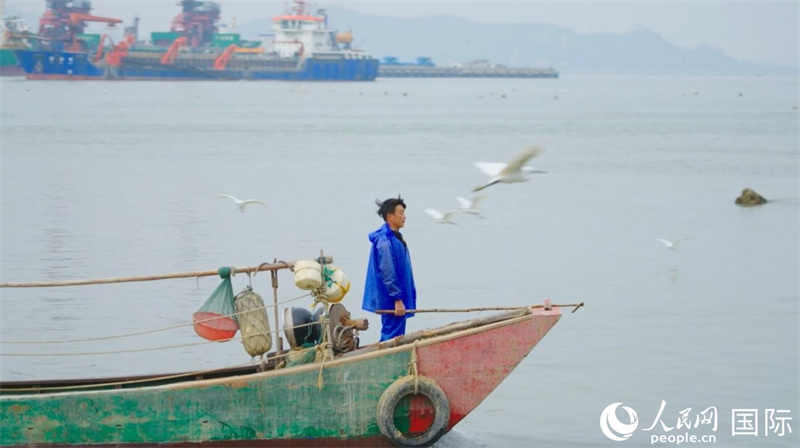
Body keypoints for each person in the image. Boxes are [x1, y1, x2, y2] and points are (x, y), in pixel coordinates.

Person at [362, 196, 417, 341]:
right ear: (390, 216)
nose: (404, 217)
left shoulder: (396, 237)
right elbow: (387, 273)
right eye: (401, 213)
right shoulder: (385, 241)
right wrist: (397, 299)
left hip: (398, 297)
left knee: (397, 334)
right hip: (391, 300)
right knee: (392, 336)